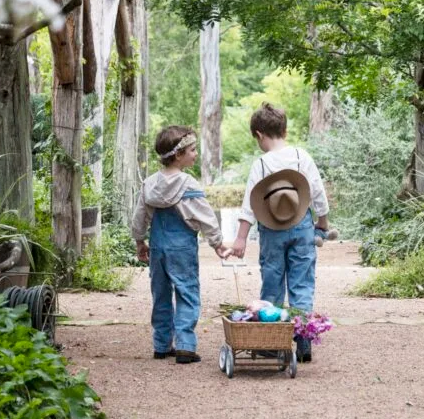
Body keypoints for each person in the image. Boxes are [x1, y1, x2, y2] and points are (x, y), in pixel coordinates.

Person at [231, 103, 330, 363]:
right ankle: (303, 337)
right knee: (302, 284)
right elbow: (318, 193)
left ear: (259, 134)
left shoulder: (261, 165)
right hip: (302, 227)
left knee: (272, 285)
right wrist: (323, 223)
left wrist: (241, 238)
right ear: (284, 130)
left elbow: (250, 204)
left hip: (272, 230)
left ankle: (271, 342)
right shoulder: (301, 156)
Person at [132, 125, 230, 364]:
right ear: (178, 155)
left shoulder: (150, 184)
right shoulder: (188, 184)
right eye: (193, 150)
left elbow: (139, 216)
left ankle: (161, 345)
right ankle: (185, 345)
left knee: (161, 293)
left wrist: (139, 241)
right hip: (182, 247)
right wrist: (217, 242)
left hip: (157, 246)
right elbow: (205, 215)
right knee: (186, 292)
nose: (196, 154)